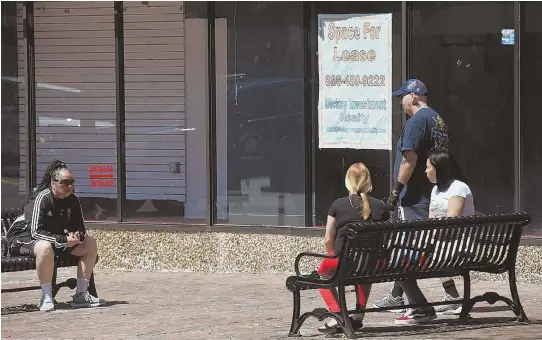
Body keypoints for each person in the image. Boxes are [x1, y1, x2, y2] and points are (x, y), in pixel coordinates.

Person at [373, 79, 449, 323]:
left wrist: (395, 192)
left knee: (403, 254)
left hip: (414, 196)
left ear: (414, 97)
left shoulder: (416, 122)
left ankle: (419, 306)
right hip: (431, 192)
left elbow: (409, 160)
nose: (400, 101)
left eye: (402, 96)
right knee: (409, 249)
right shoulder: (437, 119)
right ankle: (401, 296)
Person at [6, 160, 105, 312]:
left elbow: (79, 226)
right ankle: (46, 296)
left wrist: (78, 236)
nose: (70, 187)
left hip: (54, 240)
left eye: (72, 182)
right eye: (65, 183)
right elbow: (35, 232)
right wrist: (64, 241)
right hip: (23, 238)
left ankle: (81, 295)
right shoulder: (42, 198)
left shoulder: (73, 199)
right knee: (45, 247)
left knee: (90, 243)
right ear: (53, 183)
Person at [317, 162, 390, 334]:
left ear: (348, 181)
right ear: (368, 182)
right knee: (364, 272)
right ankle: (358, 316)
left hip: (344, 261)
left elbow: (328, 238)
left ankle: (337, 314)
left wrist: (331, 253)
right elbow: (386, 238)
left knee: (322, 273)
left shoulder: (338, 205)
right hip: (373, 263)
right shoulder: (380, 206)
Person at [425, 151, 475, 314]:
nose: (425, 171)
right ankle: (450, 297)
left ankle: (415, 304)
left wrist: (431, 237)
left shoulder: (458, 188)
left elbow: (452, 223)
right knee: (409, 254)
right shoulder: (435, 190)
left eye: (428, 167)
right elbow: (431, 219)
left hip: (460, 243)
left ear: (438, 169)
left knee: (418, 256)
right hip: (442, 243)